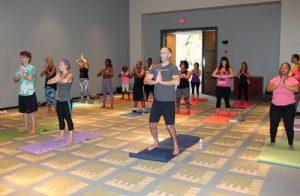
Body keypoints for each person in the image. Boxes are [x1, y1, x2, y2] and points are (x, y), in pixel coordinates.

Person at [144, 47, 180, 155]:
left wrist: (162, 81)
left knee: (170, 126)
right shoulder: (155, 67)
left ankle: (176, 145)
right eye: (160, 53)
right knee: (152, 124)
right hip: (157, 101)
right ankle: (156, 142)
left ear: (169, 54)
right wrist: (155, 82)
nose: (161, 54)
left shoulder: (173, 67)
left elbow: (177, 82)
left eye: (164, 53)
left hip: (168, 101)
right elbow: (146, 80)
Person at [266, 62, 298, 150]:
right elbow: (268, 89)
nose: (283, 69)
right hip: (275, 107)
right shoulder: (274, 79)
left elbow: (296, 89)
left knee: (289, 126)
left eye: (285, 68)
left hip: (289, 107)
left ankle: (290, 144)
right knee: (273, 125)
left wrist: (284, 85)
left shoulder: (292, 80)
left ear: (289, 70)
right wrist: (278, 84)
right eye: (281, 68)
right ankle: (272, 142)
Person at [47, 59, 74, 144]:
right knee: (60, 118)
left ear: (66, 65)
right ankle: (61, 135)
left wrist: (57, 79)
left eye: (61, 65)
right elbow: (49, 81)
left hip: (67, 100)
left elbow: (65, 81)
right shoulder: (59, 74)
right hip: (59, 100)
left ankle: (70, 137)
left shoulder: (70, 74)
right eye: (59, 65)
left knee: (68, 119)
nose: (59, 66)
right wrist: (57, 78)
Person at [13, 51, 38, 135]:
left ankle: (34, 128)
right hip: (22, 93)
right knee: (24, 111)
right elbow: (14, 79)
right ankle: (25, 126)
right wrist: (19, 75)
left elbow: (30, 78)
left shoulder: (31, 67)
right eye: (21, 57)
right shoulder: (20, 67)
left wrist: (22, 74)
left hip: (30, 93)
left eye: (23, 57)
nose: (21, 59)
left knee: (31, 112)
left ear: (28, 58)